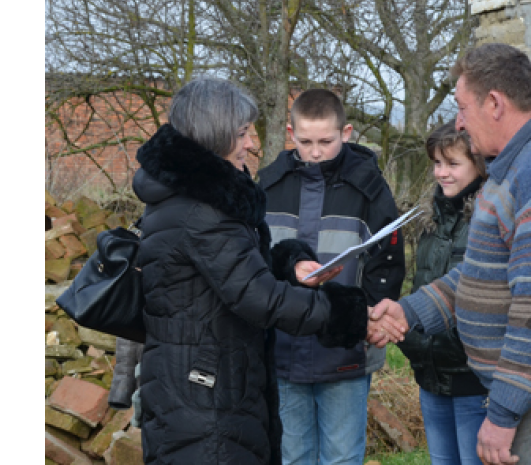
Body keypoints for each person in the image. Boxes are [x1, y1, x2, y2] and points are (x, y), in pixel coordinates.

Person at [369, 43, 531, 465]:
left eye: (463, 108)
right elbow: (486, 272)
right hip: (530, 388)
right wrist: (411, 311)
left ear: (495, 104)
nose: (459, 123)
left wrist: (502, 414)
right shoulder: (515, 164)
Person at [132, 76, 371, 465]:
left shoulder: (193, 197)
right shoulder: (202, 209)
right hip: (206, 400)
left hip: (200, 387)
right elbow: (258, 299)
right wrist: (349, 313)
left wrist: (289, 267)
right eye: (242, 133)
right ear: (215, 135)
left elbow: (229, 275)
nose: (250, 143)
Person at [258, 88, 406, 465]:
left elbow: (386, 262)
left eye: (326, 140)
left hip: (346, 348)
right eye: (305, 141)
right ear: (290, 133)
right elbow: (254, 259)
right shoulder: (268, 185)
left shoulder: (369, 188)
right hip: (283, 346)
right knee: (292, 456)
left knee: (341, 457)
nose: (316, 151)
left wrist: (372, 319)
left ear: (347, 132)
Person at [396, 120, 488, 465]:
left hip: (472, 378)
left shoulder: (487, 220)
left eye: (452, 164)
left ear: (478, 165)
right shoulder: (430, 221)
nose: (442, 173)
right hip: (431, 373)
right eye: (437, 163)